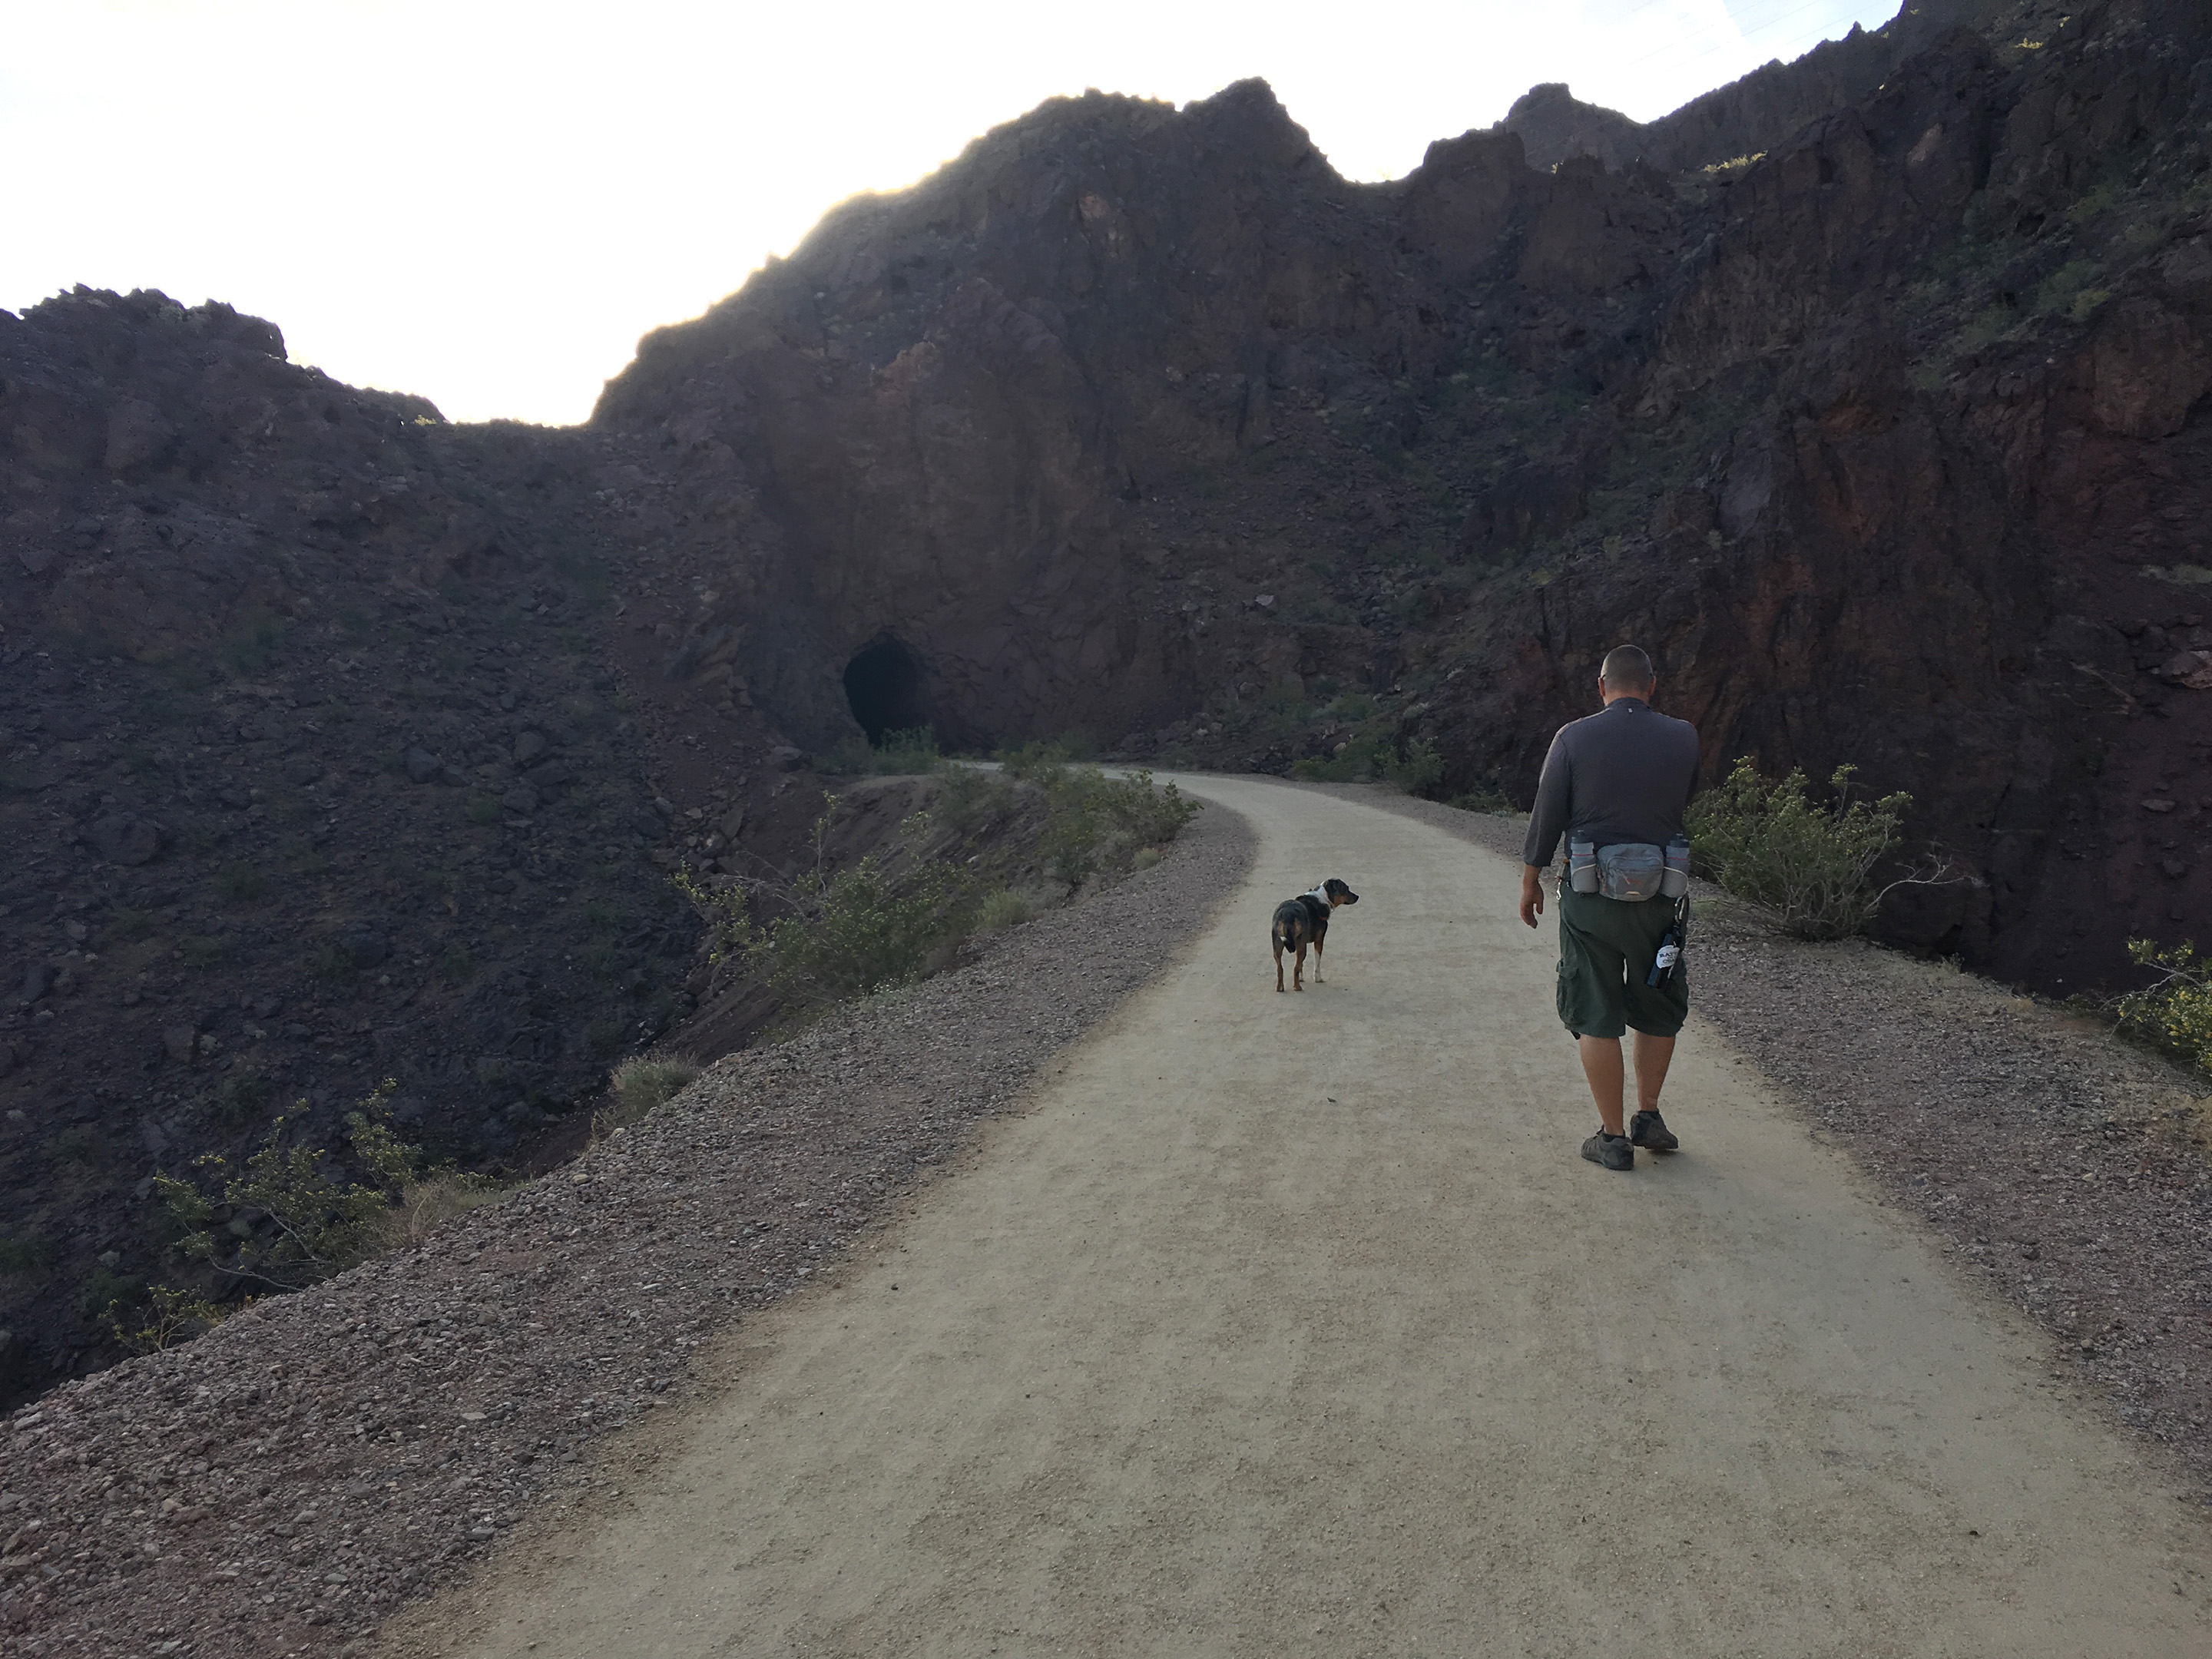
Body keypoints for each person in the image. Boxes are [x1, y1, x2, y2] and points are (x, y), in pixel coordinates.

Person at [1518, 644, 1700, 1171]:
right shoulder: (1684, 736)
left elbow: (1546, 816)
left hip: (1591, 895)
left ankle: (1613, 1138)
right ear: (1652, 684)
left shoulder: (1573, 737)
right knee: (1658, 1001)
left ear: (1602, 687)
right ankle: (1649, 1115)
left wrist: (1529, 883)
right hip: (1661, 896)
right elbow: (1685, 798)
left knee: (1595, 1008)